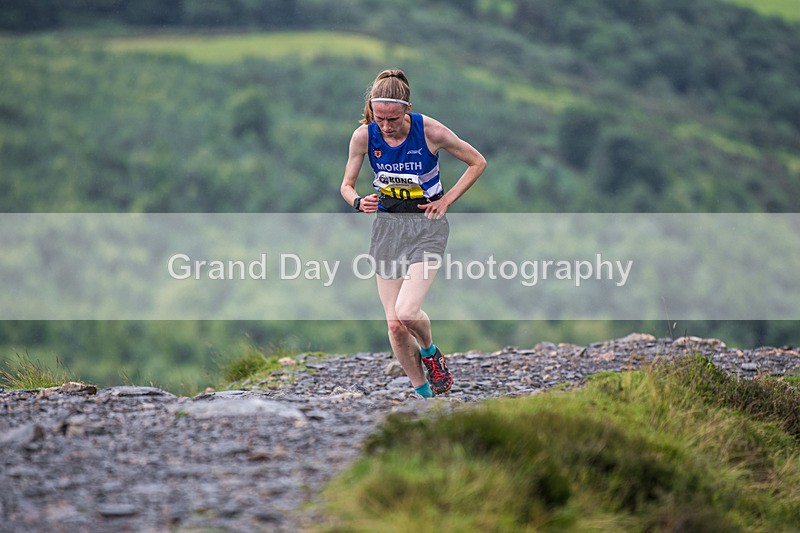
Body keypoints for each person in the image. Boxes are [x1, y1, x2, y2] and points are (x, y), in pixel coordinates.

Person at [340, 69, 487, 398]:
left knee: (407, 311)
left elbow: (477, 162)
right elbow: (346, 185)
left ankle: (431, 352)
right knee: (394, 324)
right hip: (387, 227)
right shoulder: (363, 136)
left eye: (393, 119)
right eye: (379, 118)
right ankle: (424, 396)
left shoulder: (431, 131)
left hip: (426, 227)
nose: (386, 126)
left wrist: (447, 200)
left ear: (407, 108)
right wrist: (358, 201)